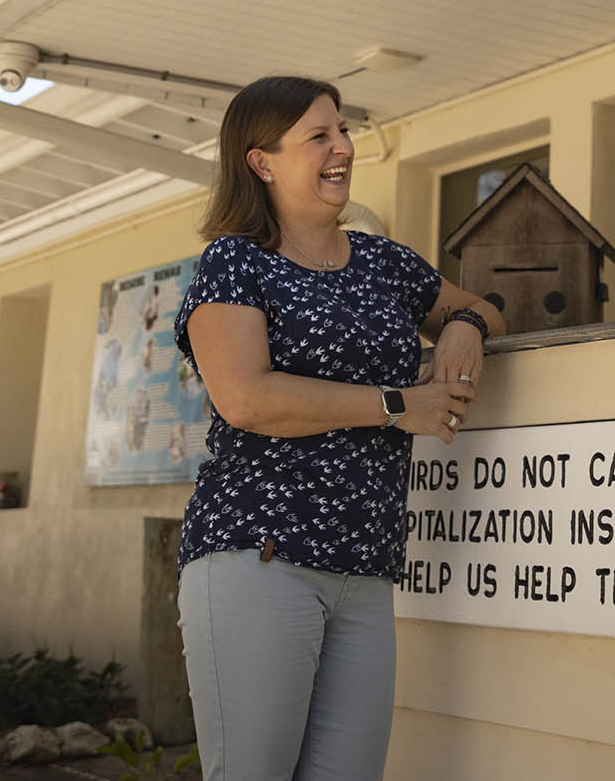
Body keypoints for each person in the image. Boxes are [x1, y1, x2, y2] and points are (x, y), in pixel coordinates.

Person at [173, 75, 504, 781]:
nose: (343, 149)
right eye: (319, 136)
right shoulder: (235, 262)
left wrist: (466, 327)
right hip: (260, 554)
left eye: (344, 130)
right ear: (261, 161)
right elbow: (247, 399)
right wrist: (395, 403)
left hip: (367, 565)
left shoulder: (385, 262)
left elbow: (483, 304)